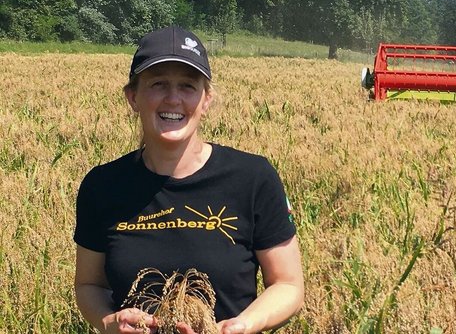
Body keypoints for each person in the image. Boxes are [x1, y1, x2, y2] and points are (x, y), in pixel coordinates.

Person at [73, 26, 304, 334]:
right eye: (158, 84)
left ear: (206, 99)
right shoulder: (102, 186)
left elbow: (287, 284)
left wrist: (245, 324)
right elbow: (89, 284)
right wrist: (108, 322)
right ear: (133, 97)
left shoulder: (253, 178)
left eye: (187, 86)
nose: (173, 99)